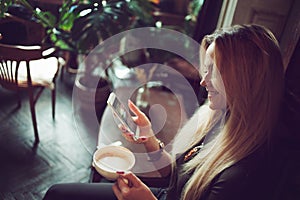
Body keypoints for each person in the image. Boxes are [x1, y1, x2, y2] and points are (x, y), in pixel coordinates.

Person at [43, 24, 286, 200]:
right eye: (206, 69)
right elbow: (174, 175)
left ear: (245, 81)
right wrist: (149, 139)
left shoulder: (241, 175)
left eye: (215, 71)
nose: (203, 82)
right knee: (57, 193)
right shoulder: (218, 115)